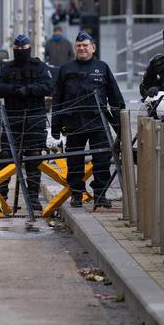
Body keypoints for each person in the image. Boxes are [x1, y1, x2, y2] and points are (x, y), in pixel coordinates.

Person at [51, 31, 125, 208]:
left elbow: (115, 98)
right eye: (78, 46)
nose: (82, 48)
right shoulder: (66, 69)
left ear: (93, 48)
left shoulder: (102, 67)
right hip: (73, 123)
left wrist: (120, 125)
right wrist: (56, 125)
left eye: (85, 45)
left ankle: (100, 194)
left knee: (102, 161)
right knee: (74, 163)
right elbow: (58, 99)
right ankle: (77, 195)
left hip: (98, 122)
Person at [0, 34, 54, 210]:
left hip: (35, 118)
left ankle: (33, 199)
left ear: (29, 49)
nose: (20, 52)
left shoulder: (40, 67)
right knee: (6, 156)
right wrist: (14, 90)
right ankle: (0, 195)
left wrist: (28, 90)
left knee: (34, 157)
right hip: (12, 118)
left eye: (23, 49)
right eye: (17, 49)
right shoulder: (6, 68)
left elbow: (48, 87)